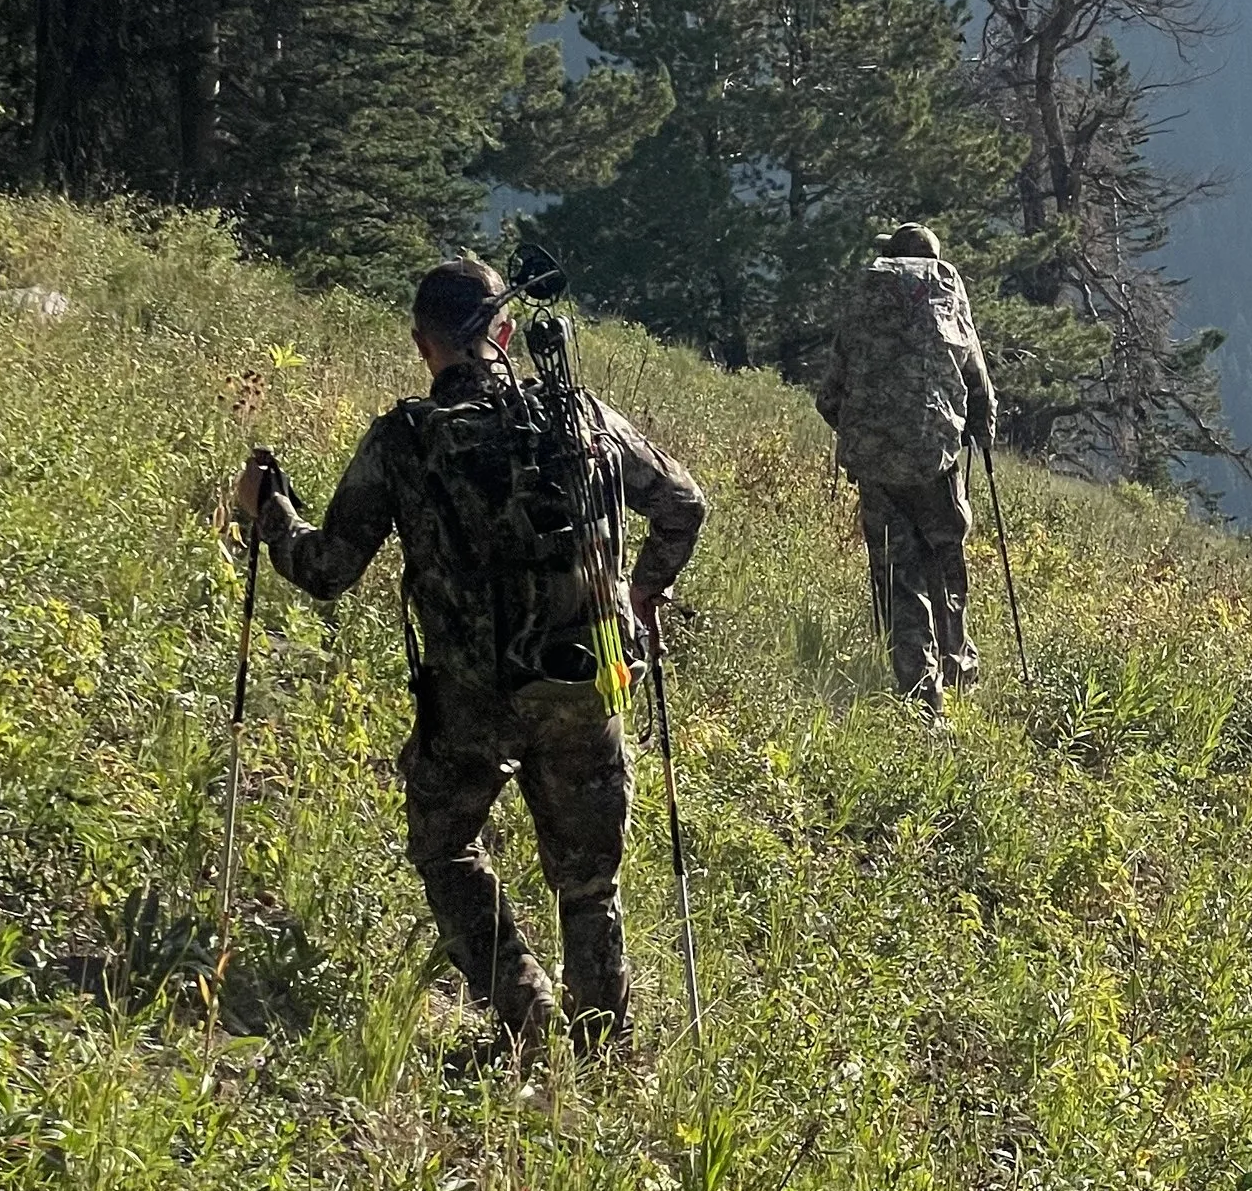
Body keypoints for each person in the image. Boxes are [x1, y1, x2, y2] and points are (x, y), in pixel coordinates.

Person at [232, 255, 704, 1055]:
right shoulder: (580, 415)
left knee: (444, 843)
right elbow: (683, 505)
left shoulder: (405, 439)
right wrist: (642, 596)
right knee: (589, 880)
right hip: (584, 678)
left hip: (468, 700)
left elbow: (327, 569)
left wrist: (269, 514)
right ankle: (603, 1050)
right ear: (505, 333)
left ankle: (524, 1010)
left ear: (424, 345)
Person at [816, 223, 996, 718]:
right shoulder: (946, 292)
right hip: (935, 458)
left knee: (897, 576)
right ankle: (959, 668)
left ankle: (922, 696)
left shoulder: (866, 301)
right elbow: (977, 381)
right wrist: (973, 430)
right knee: (944, 562)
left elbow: (829, 395)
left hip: (875, 463)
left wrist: (863, 433)